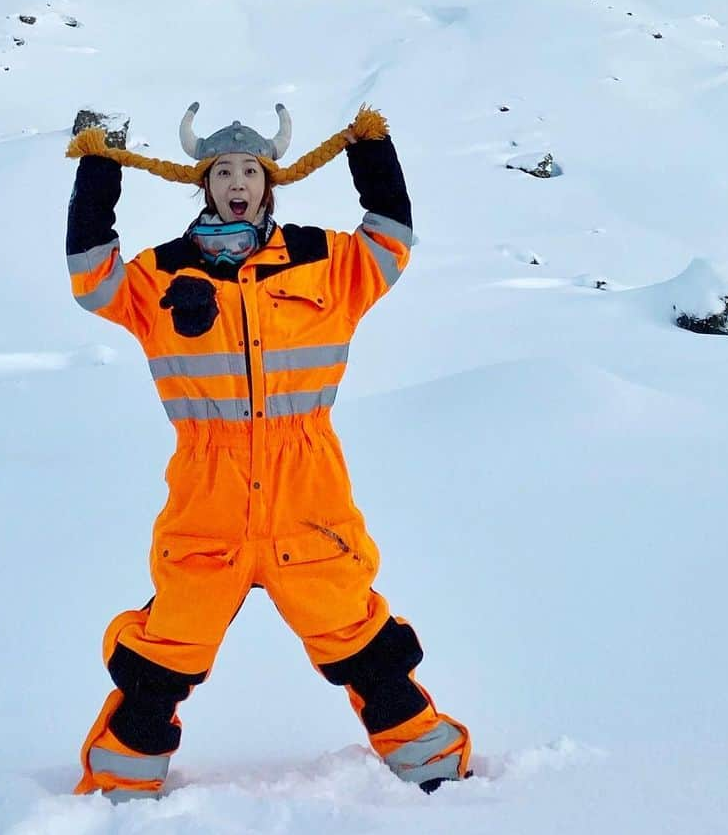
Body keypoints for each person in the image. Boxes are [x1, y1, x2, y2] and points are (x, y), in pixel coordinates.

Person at [65, 102, 471, 800]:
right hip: (207, 499)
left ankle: (440, 777)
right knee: (162, 658)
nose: (237, 180)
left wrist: (371, 150)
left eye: (249, 168)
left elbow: (391, 237)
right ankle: (118, 792)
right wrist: (101, 167)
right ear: (206, 185)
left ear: (269, 183)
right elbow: (92, 277)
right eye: (223, 170)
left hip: (307, 497)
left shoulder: (323, 264)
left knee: (363, 646)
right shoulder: (161, 275)